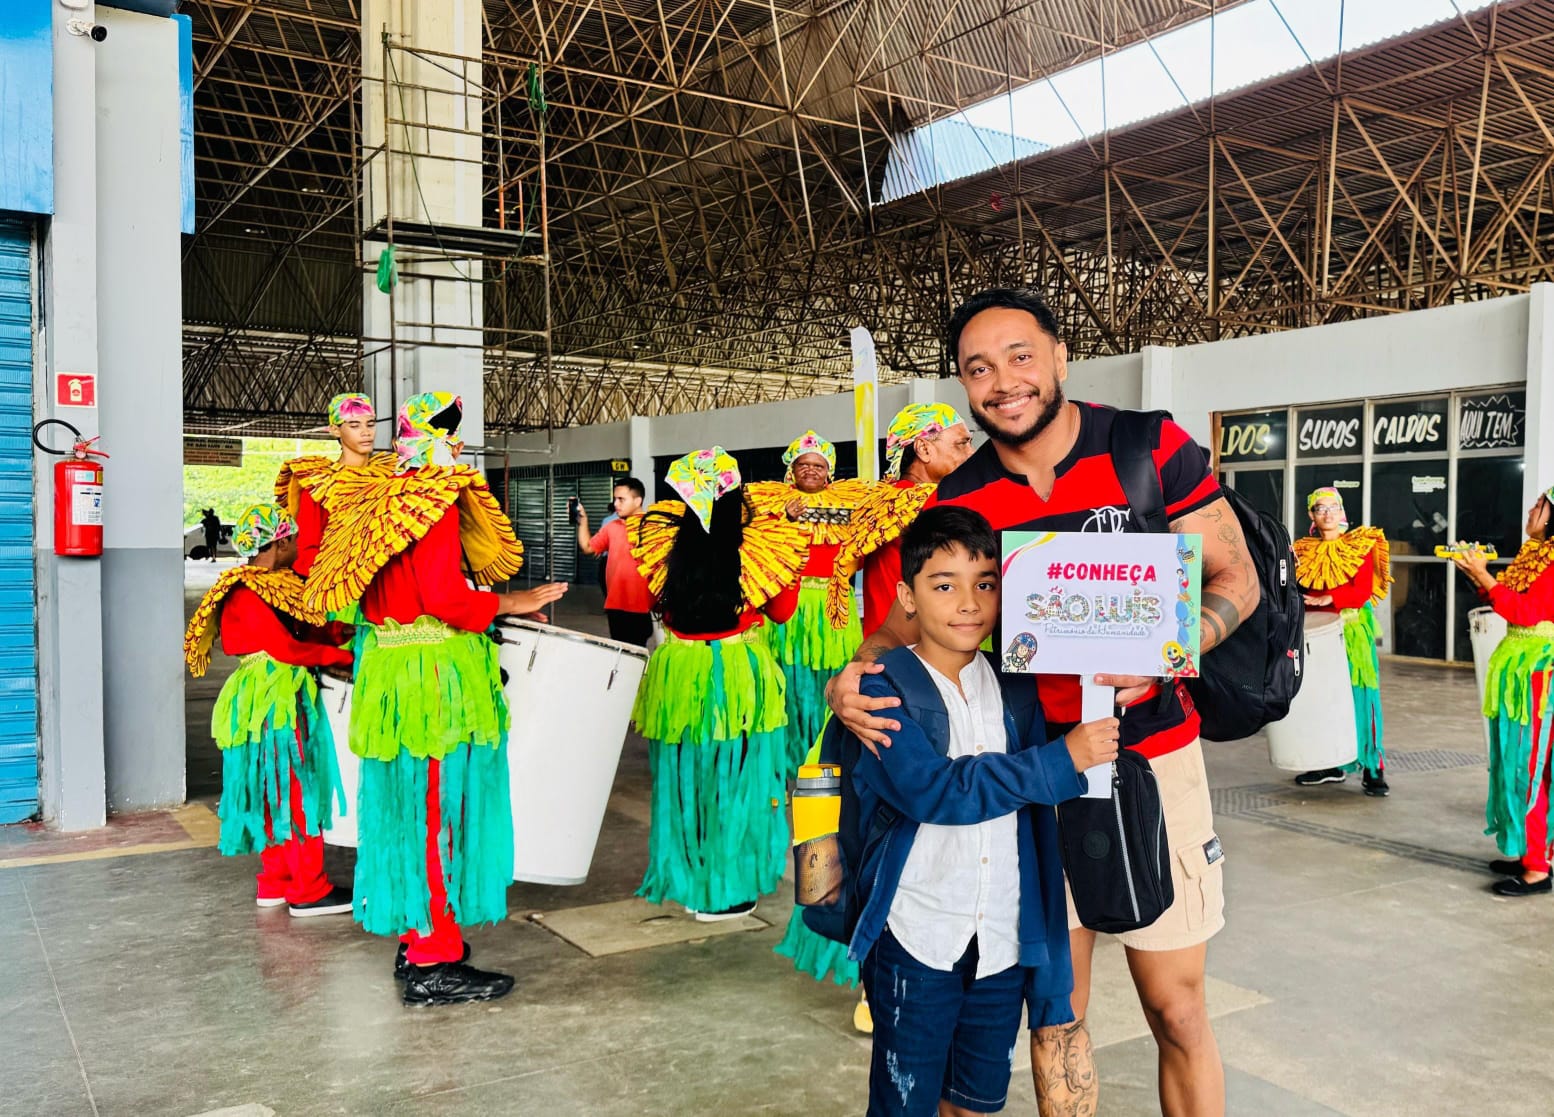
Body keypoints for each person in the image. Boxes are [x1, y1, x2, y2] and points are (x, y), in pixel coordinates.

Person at [829, 288, 1259, 1117]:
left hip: (1155, 759)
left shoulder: (1148, 448)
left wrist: (1174, 645)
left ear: (1060, 355)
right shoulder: (962, 499)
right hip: (1032, 778)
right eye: (978, 368)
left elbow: (1233, 574)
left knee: (1177, 1007)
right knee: (1058, 1012)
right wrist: (850, 675)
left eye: (1020, 355)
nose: (1004, 381)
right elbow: (900, 626)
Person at [842, 505, 1119, 1117]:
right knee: (903, 1105)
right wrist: (1060, 760)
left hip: (999, 941)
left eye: (985, 584)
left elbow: (1037, 820)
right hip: (917, 936)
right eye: (944, 586)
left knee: (974, 1103)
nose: (968, 603)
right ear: (907, 597)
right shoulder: (881, 688)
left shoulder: (1016, 686)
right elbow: (933, 791)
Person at [302, 391, 568, 1005]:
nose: (458, 443)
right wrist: (510, 602)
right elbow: (445, 599)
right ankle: (431, 962)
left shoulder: (379, 498)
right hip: (430, 680)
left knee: (408, 809)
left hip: (393, 673)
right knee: (434, 813)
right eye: (452, 432)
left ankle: (418, 934)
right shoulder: (434, 500)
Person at [774, 402, 975, 1031]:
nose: (969, 451)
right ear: (922, 450)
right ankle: (886, 977)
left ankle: (907, 970)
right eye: (959, 442)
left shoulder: (910, 506)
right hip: (912, 681)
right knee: (901, 834)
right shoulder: (913, 507)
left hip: (925, 675)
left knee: (910, 831)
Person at [629, 447, 809, 920]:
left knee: (688, 775)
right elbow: (783, 612)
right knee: (740, 776)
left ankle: (694, 882)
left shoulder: (662, 544)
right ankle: (730, 889)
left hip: (679, 672)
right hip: (737, 675)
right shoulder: (761, 545)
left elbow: (651, 602)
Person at [182, 503, 354, 917]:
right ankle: (309, 890)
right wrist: (343, 657)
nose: (297, 545)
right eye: (292, 539)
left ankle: (276, 881)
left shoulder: (274, 584)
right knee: (294, 789)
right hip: (272, 698)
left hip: (270, 694)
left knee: (274, 789)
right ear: (278, 543)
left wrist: (338, 632)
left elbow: (301, 626)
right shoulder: (245, 592)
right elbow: (287, 648)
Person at [746, 431, 930, 771]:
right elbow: (759, 550)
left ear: (829, 472)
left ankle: (827, 755)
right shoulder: (770, 506)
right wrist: (784, 519)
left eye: (819, 465)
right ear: (791, 470)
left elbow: (865, 544)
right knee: (788, 681)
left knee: (835, 679)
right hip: (790, 607)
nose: (811, 470)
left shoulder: (851, 505)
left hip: (834, 605)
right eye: (803, 464)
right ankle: (786, 762)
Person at [1453, 490, 1554, 898]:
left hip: (1537, 674)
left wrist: (1484, 575)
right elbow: (1506, 599)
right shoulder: (1536, 554)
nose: (1531, 510)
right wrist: (1477, 573)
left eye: (1540, 506)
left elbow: (1525, 613)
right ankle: (1535, 852)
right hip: (1524, 670)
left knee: (1526, 768)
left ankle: (1536, 870)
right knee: (1531, 768)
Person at [1291, 487, 1393, 794]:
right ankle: (1329, 763)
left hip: (1352, 635)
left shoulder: (1360, 545)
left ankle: (1373, 767)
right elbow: (1298, 591)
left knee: (1361, 697)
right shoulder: (1303, 551)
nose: (1327, 514)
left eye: (1332, 507)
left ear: (1342, 511)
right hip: (1317, 636)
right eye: (1320, 508)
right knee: (1323, 698)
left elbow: (1361, 591)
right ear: (1311, 515)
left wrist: (1330, 599)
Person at [275, 392, 395, 578]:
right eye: (354, 425)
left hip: (388, 581)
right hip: (337, 584)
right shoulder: (320, 484)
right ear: (335, 430)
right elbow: (305, 551)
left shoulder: (390, 475)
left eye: (370, 424)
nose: (366, 432)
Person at [576, 477, 654, 646]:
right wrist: (583, 521)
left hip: (641, 606)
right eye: (615, 499)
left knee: (636, 651)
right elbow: (588, 547)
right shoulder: (612, 527)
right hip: (615, 605)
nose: (616, 504)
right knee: (619, 649)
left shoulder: (654, 527)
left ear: (637, 501)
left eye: (621, 499)